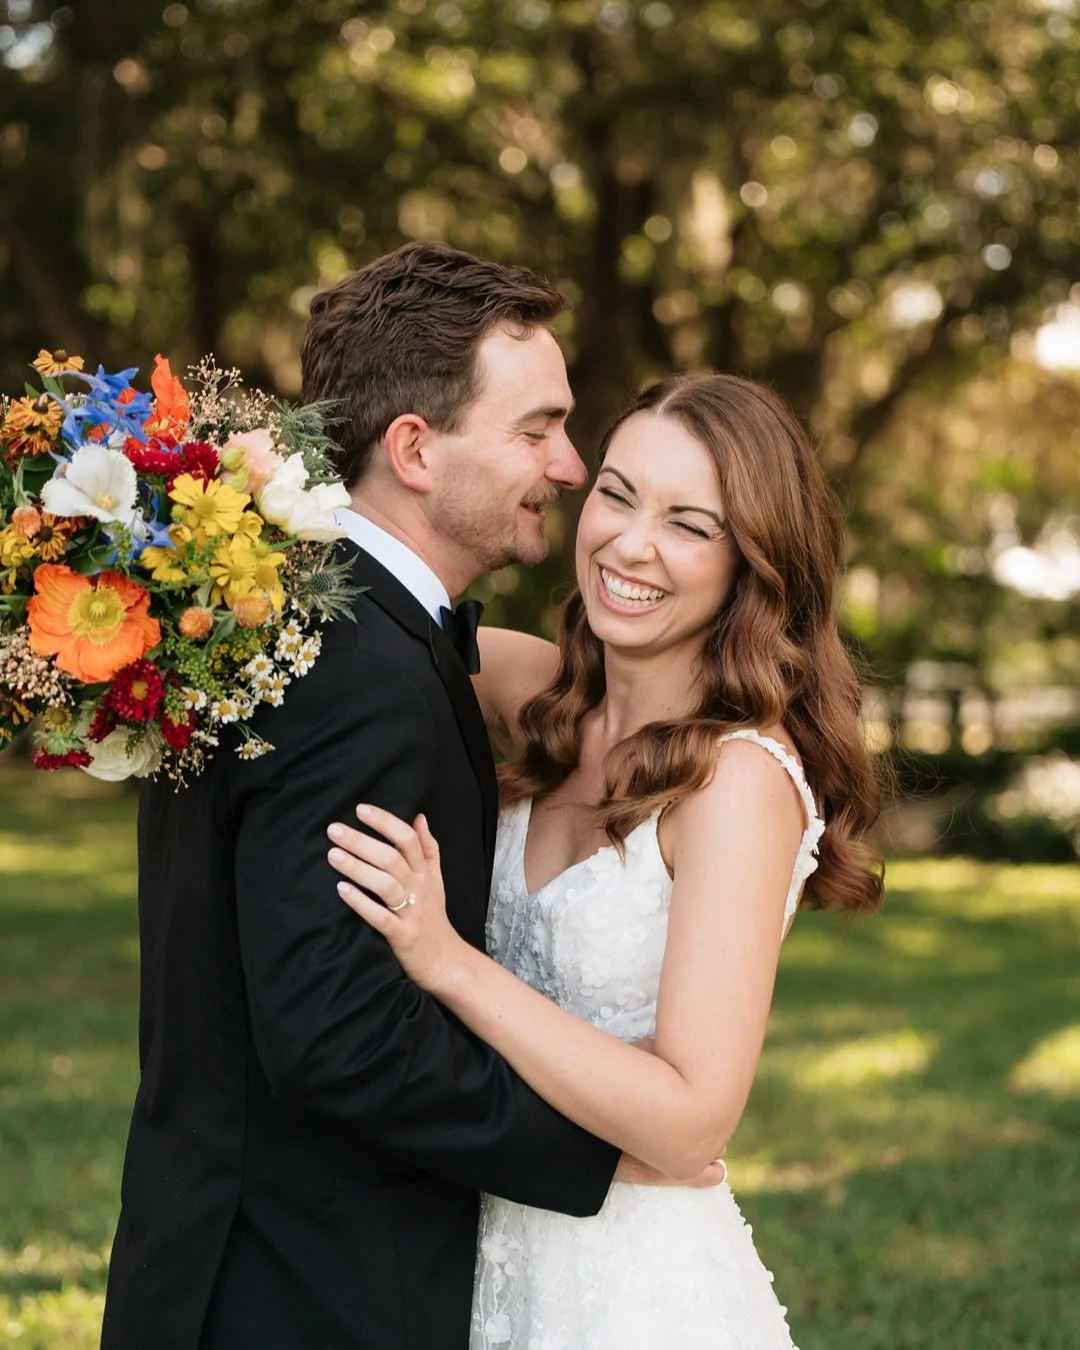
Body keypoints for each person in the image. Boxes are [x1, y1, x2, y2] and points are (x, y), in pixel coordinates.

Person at [101, 243, 717, 1350]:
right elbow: (339, 1035)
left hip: (223, 1258)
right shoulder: (359, 676)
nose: (567, 468)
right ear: (416, 450)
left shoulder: (296, 622)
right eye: (537, 429)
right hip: (298, 1293)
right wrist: (600, 1154)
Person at [325, 370, 885, 1349]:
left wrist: (448, 963)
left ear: (751, 563)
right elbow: (375, 615)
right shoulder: (534, 693)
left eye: (689, 524)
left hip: (629, 1284)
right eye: (618, 494)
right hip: (469, 1239)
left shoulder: (735, 781)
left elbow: (691, 1124)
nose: (630, 543)